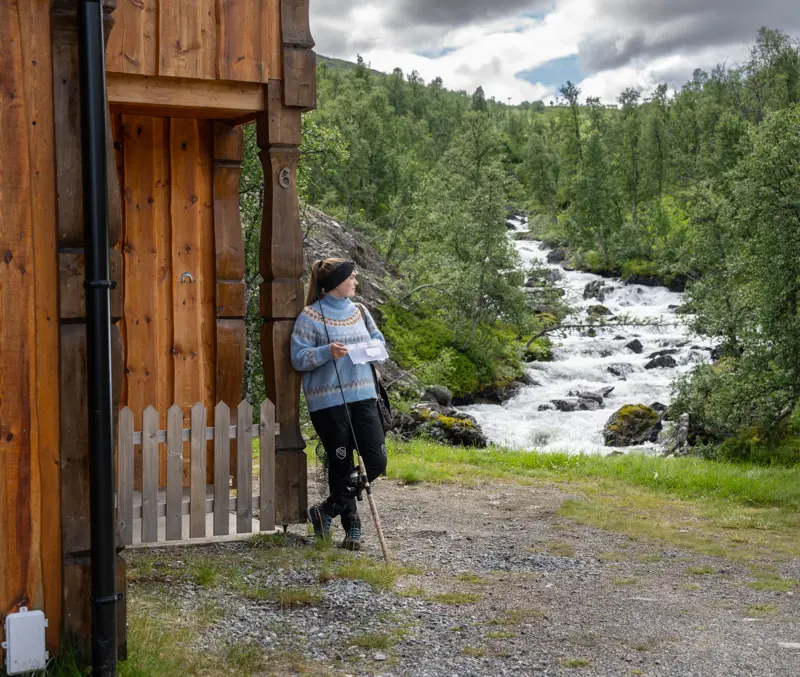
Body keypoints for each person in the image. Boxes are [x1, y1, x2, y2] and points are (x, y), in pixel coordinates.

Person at [290, 257, 388, 551]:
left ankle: (327, 509)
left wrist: (367, 350)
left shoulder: (360, 311)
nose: (356, 281)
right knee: (340, 464)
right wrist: (325, 352)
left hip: (365, 398)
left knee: (376, 461)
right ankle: (353, 527)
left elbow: (380, 345)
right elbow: (298, 358)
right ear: (336, 283)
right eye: (352, 277)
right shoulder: (310, 316)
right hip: (328, 403)